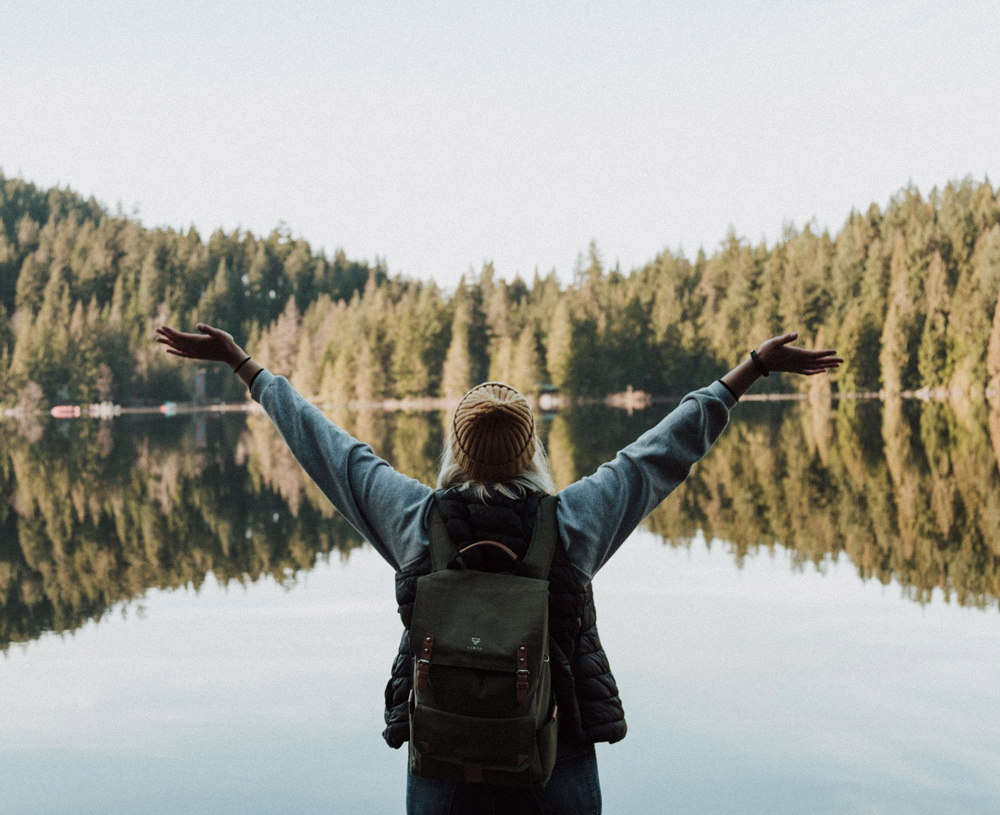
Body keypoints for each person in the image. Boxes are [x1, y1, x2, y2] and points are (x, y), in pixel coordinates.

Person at [155, 322, 841, 814]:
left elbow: (327, 449)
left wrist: (245, 365)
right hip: (555, 753)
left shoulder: (416, 521)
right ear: (531, 450)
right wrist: (752, 367)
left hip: (446, 757)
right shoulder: (573, 522)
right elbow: (664, 450)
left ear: (455, 448)